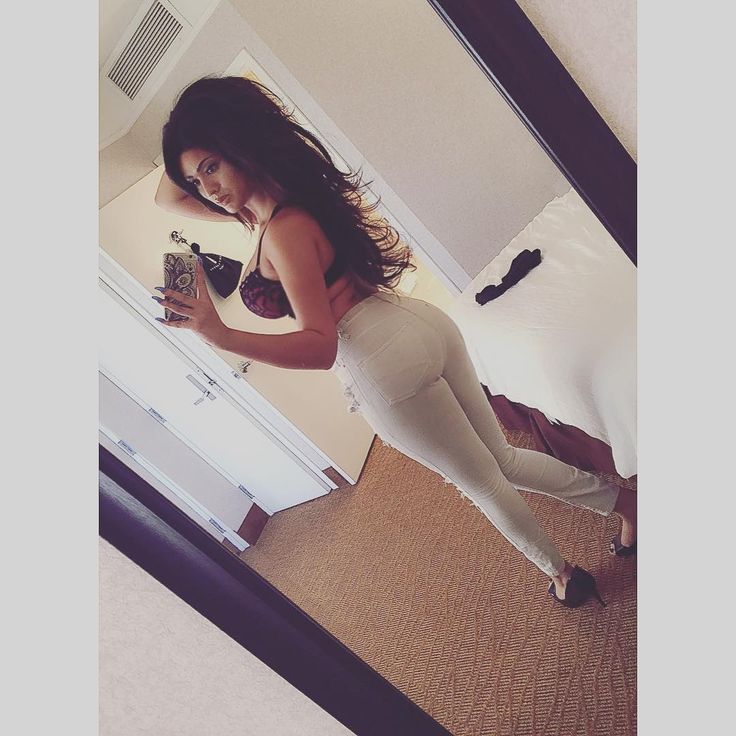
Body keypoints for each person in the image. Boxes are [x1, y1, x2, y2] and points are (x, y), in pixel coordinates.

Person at [153, 76, 637, 608]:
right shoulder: (277, 206)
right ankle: (627, 504)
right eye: (195, 180)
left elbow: (319, 346)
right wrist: (194, 141)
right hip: (418, 323)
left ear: (239, 144)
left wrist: (219, 333)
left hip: (380, 363)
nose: (206, 189)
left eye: (212, 167)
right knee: (502, 460)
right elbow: (166, 194)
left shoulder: (282, 230)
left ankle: (563, 575)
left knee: (482, 483)